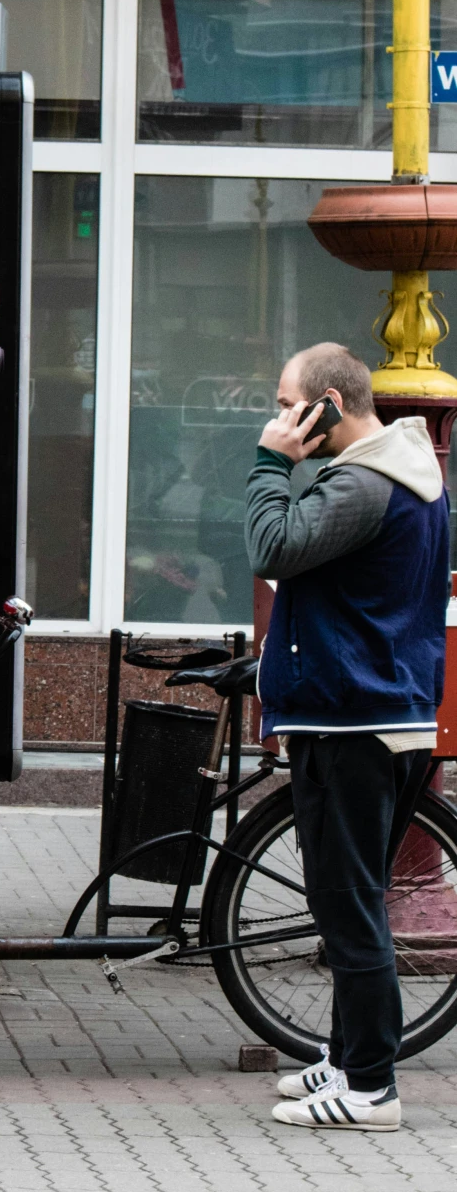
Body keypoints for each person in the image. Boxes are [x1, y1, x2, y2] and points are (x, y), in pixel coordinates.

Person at [247, 342, 450, 1132]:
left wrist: (269, 466)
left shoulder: (364, 483)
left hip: (353, 722)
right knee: (349, 904)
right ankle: (348, 1056)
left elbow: (272, 548)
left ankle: (369, 1090)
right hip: (374, 715)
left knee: (347, 911)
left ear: (326, 405)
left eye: (284, 401)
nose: (276, 416)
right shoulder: (395, 477)